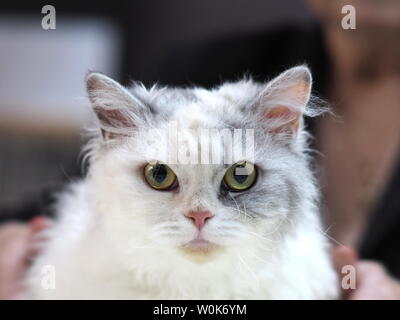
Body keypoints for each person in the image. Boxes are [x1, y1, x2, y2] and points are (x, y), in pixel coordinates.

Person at [1, 0, 400, 299]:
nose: (199, 213)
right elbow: (35, 211)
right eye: (162, 176)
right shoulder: (197, 62)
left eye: (238, 177)